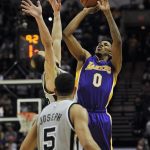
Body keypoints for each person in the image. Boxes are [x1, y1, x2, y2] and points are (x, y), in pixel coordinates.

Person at [63, 0, 122, 149]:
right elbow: (67, 34)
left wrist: (107, 13)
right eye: (100, 43)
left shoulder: (113, 67)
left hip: (101, 116)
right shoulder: (85, 59)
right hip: (80, 113)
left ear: (110, 52)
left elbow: (118, 41)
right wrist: (85, 11)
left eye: (105, 44)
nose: (101, 44)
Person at [20, 73, 101, 150]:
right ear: (75, 90)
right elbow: (87, 143)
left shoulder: (42, 113)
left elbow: (25, 148)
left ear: (55, 91)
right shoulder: (76, 110)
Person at [21, 0, 66, 103]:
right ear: (46, 60)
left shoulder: (55, 66)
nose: (42, 51)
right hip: (60, 117)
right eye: (42, 52)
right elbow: (48, 44)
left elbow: (56, 39)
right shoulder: (50, 76)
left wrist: (56, 14)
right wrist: (39, 18)